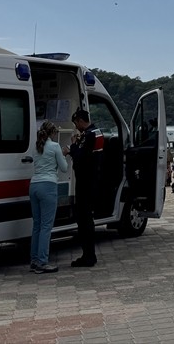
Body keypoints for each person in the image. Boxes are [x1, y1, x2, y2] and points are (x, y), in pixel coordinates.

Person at [29, 120, 69, 274]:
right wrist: (64, 155)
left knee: (37, 225)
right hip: (48, 186)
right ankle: (42, 262)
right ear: (53, 133)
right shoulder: (55, 146)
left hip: (34, 185)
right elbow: (64, 168)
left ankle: (34, 260)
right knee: (46, 226)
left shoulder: (35, 146)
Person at [69, 108, 104, 267]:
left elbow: (80, 159)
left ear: (81, 120)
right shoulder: (97, 132)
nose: (76, 127)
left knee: (84, 220)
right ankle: (89, 254)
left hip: (85, 182)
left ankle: (88, 255)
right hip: (93, 180)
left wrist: (73, 147)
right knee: (86, 218)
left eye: (76, 123)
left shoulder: (89, 135)